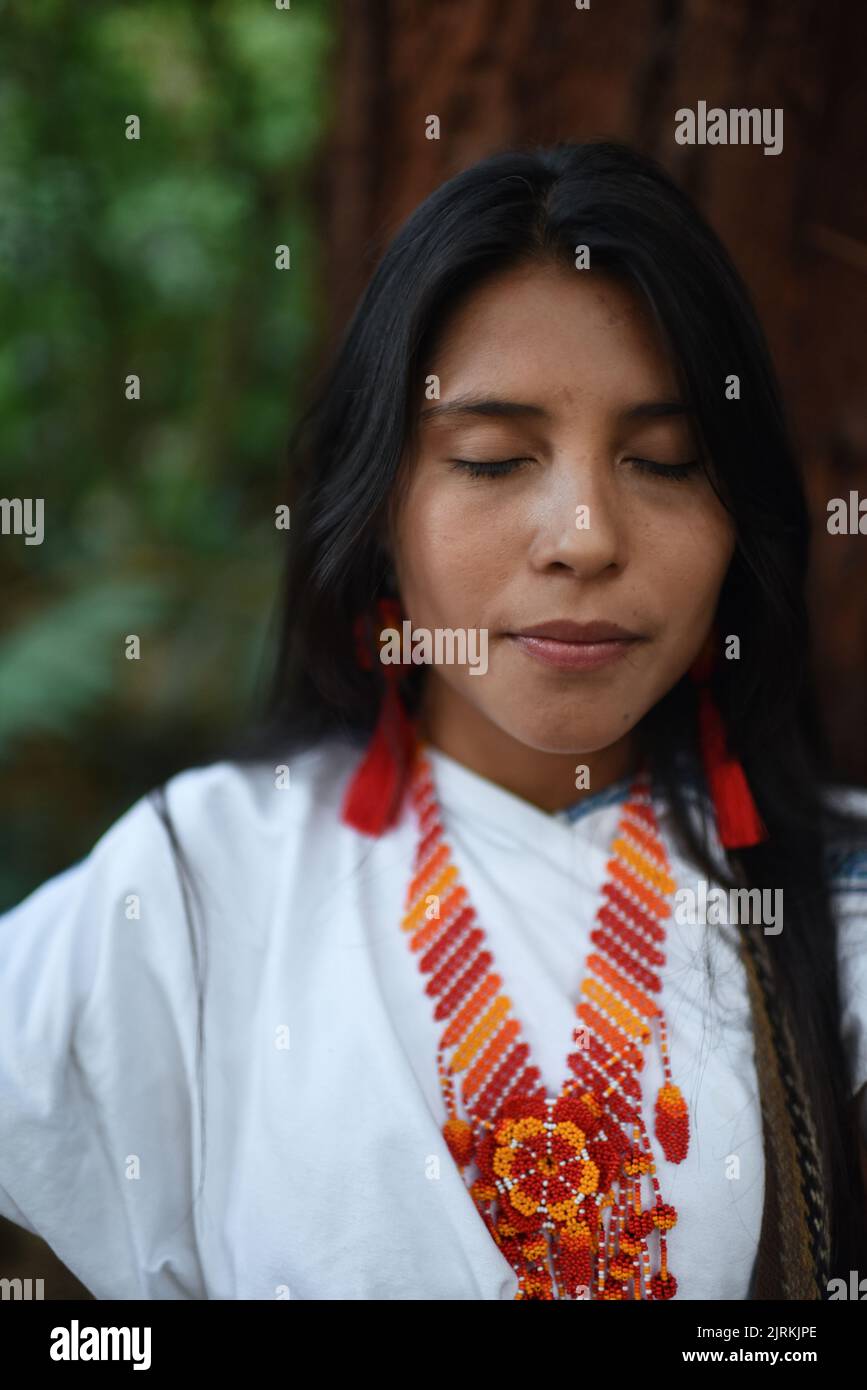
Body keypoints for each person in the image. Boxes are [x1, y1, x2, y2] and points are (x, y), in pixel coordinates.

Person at [1, 140, 866, 1301]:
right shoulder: (193, 886)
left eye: (664, 462)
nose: (584, 534)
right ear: (378, 510)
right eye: (495, 458)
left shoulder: (842, 907)